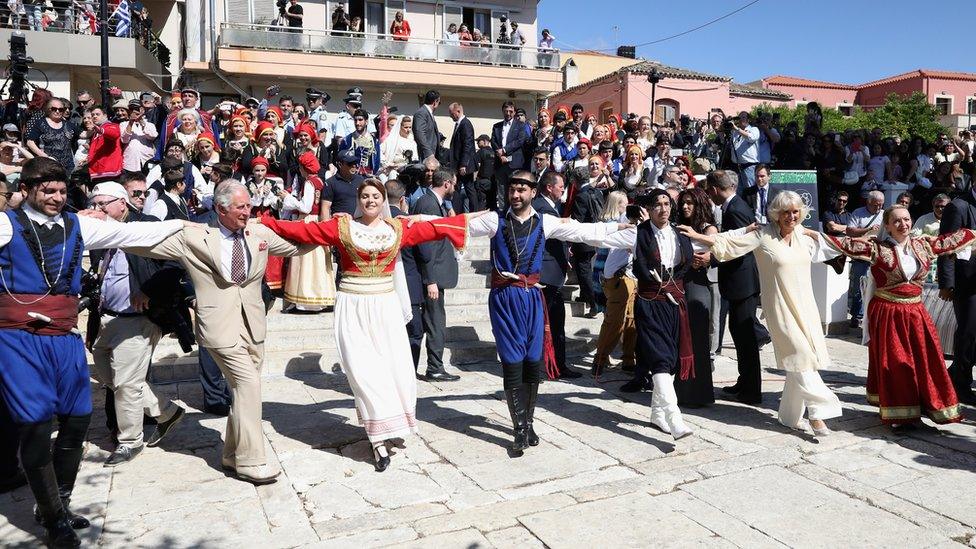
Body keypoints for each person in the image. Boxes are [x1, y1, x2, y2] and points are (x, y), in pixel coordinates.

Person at [0, 157, 187, 546]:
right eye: (47, 191)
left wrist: (193, 227)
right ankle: (53, 521)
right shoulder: (5, 224)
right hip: (18, 338)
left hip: (64, 336)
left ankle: (61, 504)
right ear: (28, 190)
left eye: (61, 191)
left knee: (77, 420)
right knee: (35, 424)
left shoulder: (78, 224)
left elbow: (133, 234)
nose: (55, 197)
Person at [259, 179, 472, 471]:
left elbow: (434, 229)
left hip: (385, 306)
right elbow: (303, 230)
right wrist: (262, 222)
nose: (371, 200)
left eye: (376, 196)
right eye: (366, 196)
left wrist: (472, 220)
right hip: (353, 304)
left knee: (393, 367)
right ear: (359, 200)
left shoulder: (396, 229)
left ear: (383, 199)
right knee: (364, 371)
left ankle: (389, 426)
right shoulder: (342, 227)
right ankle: (377, 438)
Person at [129, 182, 312, 484]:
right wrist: (110, 227)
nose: (247, 212)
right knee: (248, 384)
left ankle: (230, 453)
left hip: (253, 325)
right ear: (221, 209)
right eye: (240, 207)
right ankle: (251, 461)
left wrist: (332, 233)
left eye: (249, 205)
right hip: (218, 326)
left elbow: (297, 245)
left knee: (243, 392)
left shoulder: (259, 233)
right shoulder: (195, 237)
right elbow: (144, 243)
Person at [465, 170, 626, 455]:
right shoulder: (495, 220)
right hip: (506, 297)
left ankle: (527, 422)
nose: (516, 195)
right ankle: (518, 430)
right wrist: (414, 222)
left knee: (531, 362)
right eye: (512, 190)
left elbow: (587, 232)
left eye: (522, 190)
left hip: (533, 298)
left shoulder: (546, 222)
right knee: (512, 361)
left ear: (533, 193)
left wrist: (623, 228)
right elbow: (456, 227)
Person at [683, 191, 843, 433]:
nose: (791, 216)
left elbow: (832, 247)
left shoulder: (803, 234)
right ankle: (818, 411)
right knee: (798, 354)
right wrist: (697, 236)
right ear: (776, 214)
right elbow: (729, 242)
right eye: (786, 212)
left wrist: (820, 234)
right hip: (779, 308)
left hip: (806, 307)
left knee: (802, 358)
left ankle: (789, 416)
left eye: (795, 211)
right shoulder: (762, 234)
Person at [824, 204, 976, 425]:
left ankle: (923, 404)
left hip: (916, 313)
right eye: (896, 221)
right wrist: (809, 233)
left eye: (906, 219)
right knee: (896, 362)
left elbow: (949, 241)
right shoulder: (878, 249)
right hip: (888, 313)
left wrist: (970, 235)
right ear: (887, 225)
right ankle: (900, 415)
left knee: (923, 361)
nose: (902, 224)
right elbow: (847, 245)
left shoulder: (923, 245)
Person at [86, 182, 188, 465]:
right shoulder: (101, 230)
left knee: (127, 384)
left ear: (121, 203)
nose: (96, 210)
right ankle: (166, 412)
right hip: (106, 316)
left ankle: (130, 440)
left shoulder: (147, 226)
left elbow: (175, 264)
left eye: (101, 204)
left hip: (138, 319)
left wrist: (148, 291)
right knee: (108, 374)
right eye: (93, 204)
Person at [599, 190, 695, 439]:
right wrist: (553, 227)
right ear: (649, 210)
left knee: (671, 360)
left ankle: (657, 414)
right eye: (657, 205)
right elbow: (597, 237)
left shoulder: (680, 233)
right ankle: (675, 419)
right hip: (649, 303)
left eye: (666, 204)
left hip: (675, 304)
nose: (663, 209)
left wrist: (749, 232)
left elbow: (721, 241)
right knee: (660, 359)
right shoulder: (637, 234)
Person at [703, 170, 764, 403]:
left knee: (746, 338)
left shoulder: (736, 209)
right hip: (738, 283)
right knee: (739, 336)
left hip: (743, 283)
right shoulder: (734, 206)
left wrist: (713, 259)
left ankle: (751, 391)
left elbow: (740, 247)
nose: (710, 194)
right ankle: (744, 381)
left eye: (710, 190)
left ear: (716, 189)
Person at [410, 169, 461, 382]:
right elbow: (425, 244)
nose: (455, 188)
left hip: (436, 274)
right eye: (454, 184)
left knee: (436, 321)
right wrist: (430, 279)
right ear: (447, 183)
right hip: (432, 277)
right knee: (435, 322)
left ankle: (435, 365)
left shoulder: (433, 202)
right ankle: (435, 367)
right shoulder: (428, 203)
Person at [532, 171, 581, 380]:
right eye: (561, 186)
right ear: (549, 187)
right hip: (547, 277)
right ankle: (556, 366)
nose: (563, 189)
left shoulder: (551, 207)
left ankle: (553, 363)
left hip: (552, 274)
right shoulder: (542, 208)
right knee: (553, 324)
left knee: (553, 323)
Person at [673, 188, 717, 407]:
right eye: (683, 203)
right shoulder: (678, 227)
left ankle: (698, 393)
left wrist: (708, 259)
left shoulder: (708, 228)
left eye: (690, 203)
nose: (685, 207)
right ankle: (682, 389)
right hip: (680, 284)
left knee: (697, 340)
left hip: (698, 285)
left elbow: (719, 249)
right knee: (682, 338)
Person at [280, 151, 335, 312]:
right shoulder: (320, 180)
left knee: (305, 260)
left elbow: (306, 206)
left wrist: (287, 198)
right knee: (317, 261)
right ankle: (319, 296)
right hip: (317, 221)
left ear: (304, 168)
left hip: (309, 221)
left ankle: (306, 300)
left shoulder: (309, 183)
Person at [593, 191, 638, 376]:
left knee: (631, 322)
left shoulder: (632, 224)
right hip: (619, 278)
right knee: (614, 322)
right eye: (624, 204)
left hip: (631, 277)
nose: (628, 207)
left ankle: (628, 359)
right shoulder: (620, 222)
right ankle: (600, 360)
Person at [939, 187, 976, 404]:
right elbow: (946, 245)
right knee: (969, 333)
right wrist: (946, 283)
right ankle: (960, 383)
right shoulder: (958, 206)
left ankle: (955, 373)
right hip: (967, 284)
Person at [490, 101, 529, 210]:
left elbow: (520, 141)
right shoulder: (496, 126)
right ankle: (503, 215)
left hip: (514, 164)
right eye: (506, 111)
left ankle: (514, 212)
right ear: (502, 111)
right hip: (500, 163)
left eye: (511, 111)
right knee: (502, 191)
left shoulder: (521, 125)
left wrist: (504, 150)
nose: (508, 113)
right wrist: (500, 154)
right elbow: (493, 141)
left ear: (514, 112)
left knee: (514, 190)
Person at [25, 98, 76, 173]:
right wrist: (46, 157)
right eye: (54, 109)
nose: (57, 111)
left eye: (61, 109)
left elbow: (83, 134)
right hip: (48, 166)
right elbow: (30, 143)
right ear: (49, 109)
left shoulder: (68, 124)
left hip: (67, 167)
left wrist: (96, 126)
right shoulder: (40, 123)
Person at [448, 103, 476, 214]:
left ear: (458, 111)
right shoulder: (459, 124)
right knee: (457, 188)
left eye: (451, 113)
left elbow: (467, 145)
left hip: (464, 165)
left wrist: (464, 164)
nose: (450, 116)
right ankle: (456, 211)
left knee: (469, 189)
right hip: (458, 164)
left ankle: (474, 212)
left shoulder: (465, 124)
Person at [120, 99, 158, 175]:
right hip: (130, 163)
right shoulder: (123, 124)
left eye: (137, 109)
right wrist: (131, 122)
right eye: (132, 109)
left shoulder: (149, 124)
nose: (135, 111)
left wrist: (141, 120)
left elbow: (153, 136)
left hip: (147, 160)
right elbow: (124, 140)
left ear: (142, 110)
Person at [730, 111, 760, 190]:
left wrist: (736, 128)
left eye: (743, 117)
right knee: (737, 191)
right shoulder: (734, 132)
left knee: (750, 190)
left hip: (749, 166)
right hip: (736, 166)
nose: (740, 119)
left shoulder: (754, 129)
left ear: (748, 119)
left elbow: (751, 138)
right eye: (739, 118)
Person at [413, 90, 441, 162]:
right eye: (439, 103)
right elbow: (419, 133)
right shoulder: (422, 113)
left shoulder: (428, 113)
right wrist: (428, 153)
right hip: (426, 156)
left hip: (431, 155)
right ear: (435, 102)